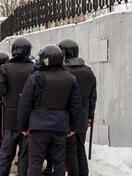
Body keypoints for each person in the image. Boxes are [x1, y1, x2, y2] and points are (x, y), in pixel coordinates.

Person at [17, 44, 82, 176]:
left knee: (35, 161)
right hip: (60, 126)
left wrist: (23, 126)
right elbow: (75, 106)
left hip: (38, 126)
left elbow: (25, 103)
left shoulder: (36, 77)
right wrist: (72, 127)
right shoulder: (70, 78)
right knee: (59, 161)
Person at [0, 37, 35, 176]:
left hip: (10, 117)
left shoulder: (5, 68)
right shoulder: (35, 68)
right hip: (29, 117)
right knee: (25, 156)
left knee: (5, 155)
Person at [59, 39, 97, 176]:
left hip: (67, 115)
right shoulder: (89, 72)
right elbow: (93, 97)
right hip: (83, 115)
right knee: (80, 147)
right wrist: (90, 116)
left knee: (69, 148)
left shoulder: (62, 71)